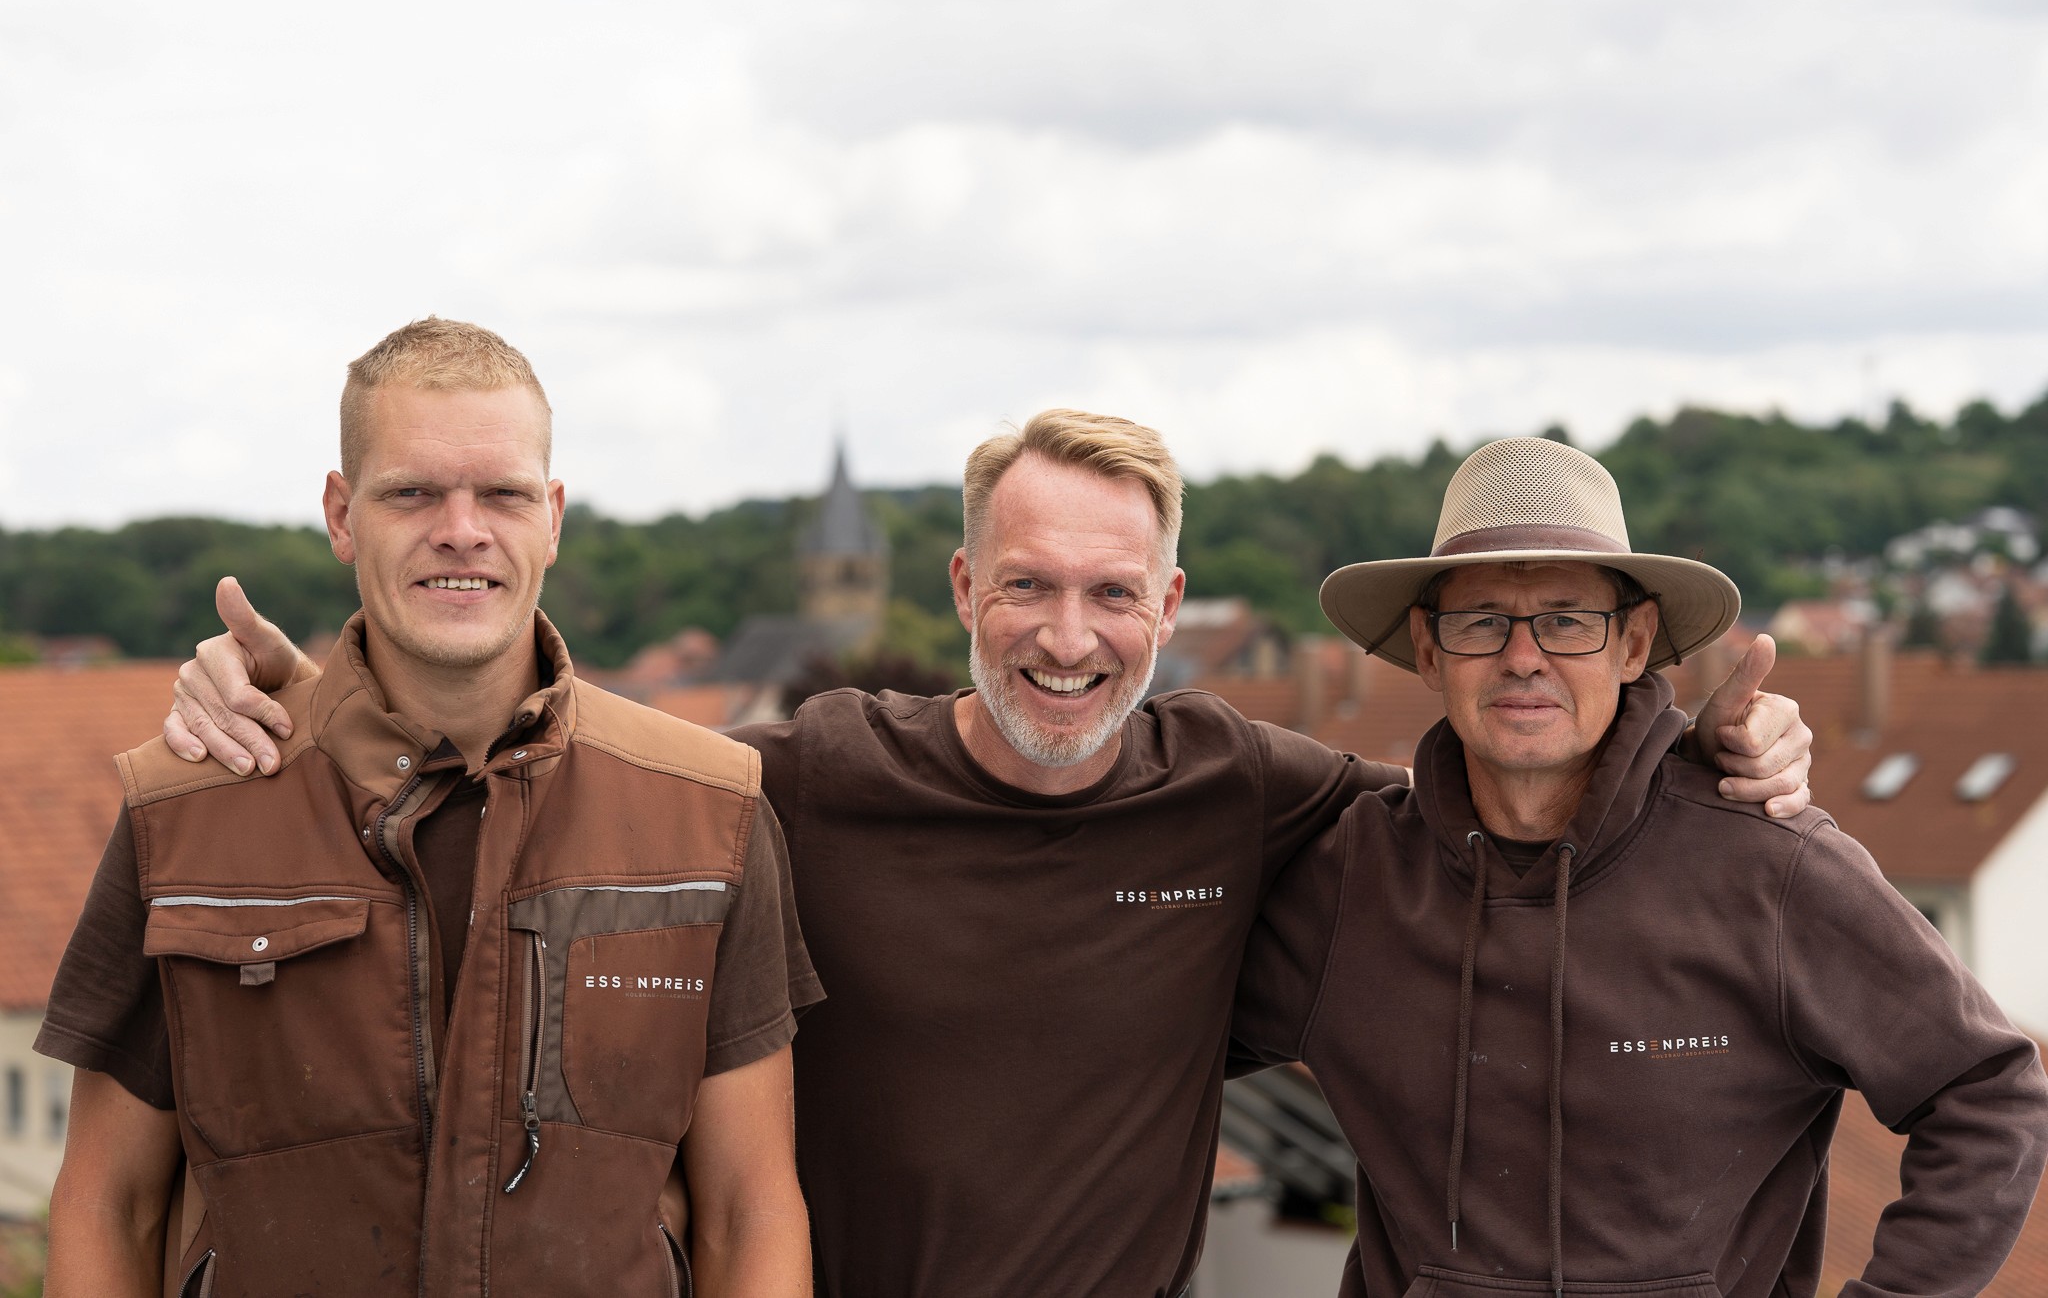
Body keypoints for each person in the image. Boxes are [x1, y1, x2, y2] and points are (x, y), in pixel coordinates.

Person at [160, 411, 1813, 1296]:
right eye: (1025, 586)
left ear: (1169, 611)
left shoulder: (1246, 789)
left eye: (1111, 596)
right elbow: (541, 754)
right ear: (960, 594)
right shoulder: (798, 775)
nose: (1067, 637)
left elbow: (1500, 806)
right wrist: (306, 701)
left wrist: (1723, 760)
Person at [38, 318, 820, 1298]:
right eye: (411, 492)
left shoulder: (707, 815)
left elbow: (750, 1213)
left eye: (501, 492)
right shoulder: (186, 812)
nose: (461, 528)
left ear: (553, 514)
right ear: (340, 512)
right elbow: (108, 1202)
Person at [1232, 436, 2048, 1298]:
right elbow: (1153, 1044)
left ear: (1634, 644)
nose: (1523, 656)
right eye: (1480, 622)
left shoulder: (1769, 867)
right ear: (1429, 653)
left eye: (1567, 620)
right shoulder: (1350, 881)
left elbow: (1987, 1092)